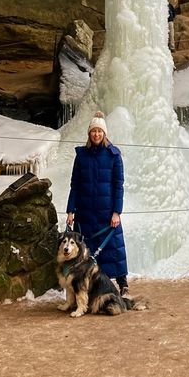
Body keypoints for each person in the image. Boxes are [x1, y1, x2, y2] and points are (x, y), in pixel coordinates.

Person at [65, 111, 130, 295]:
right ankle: (92, 286)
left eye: (99, 131)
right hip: (85, 212)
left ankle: (122, 283)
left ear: (104, 133)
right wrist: (71, 210)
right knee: (89, 252)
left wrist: (117, 211)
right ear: (89, 133)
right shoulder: (81, 156)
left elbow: (119, 185)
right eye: (93, 131)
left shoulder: (113, 155)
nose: (96, 134)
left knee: (114, 248)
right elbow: (75, 184)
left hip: (107, 212)